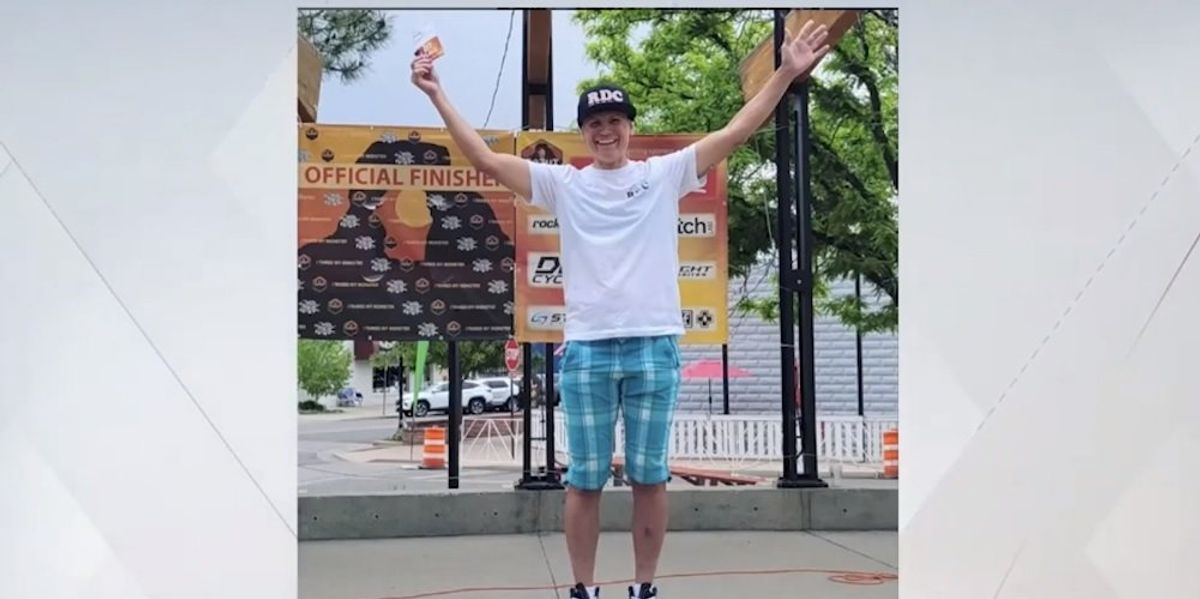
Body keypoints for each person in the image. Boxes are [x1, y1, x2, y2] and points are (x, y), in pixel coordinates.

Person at [410, 19, 830, 599]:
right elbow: (484, 159)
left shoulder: (663, 175)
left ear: (629, 129)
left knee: (648, 477)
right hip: (586, 350)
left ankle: (643, 587)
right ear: (584, 133)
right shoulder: (563, 184)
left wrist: (785, 71)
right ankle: (583, 589)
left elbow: (735, 131)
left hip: (655, 345)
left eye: (614, 121)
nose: (606, 131)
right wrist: (437, 93)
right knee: (583, 481)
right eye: (594, 123)